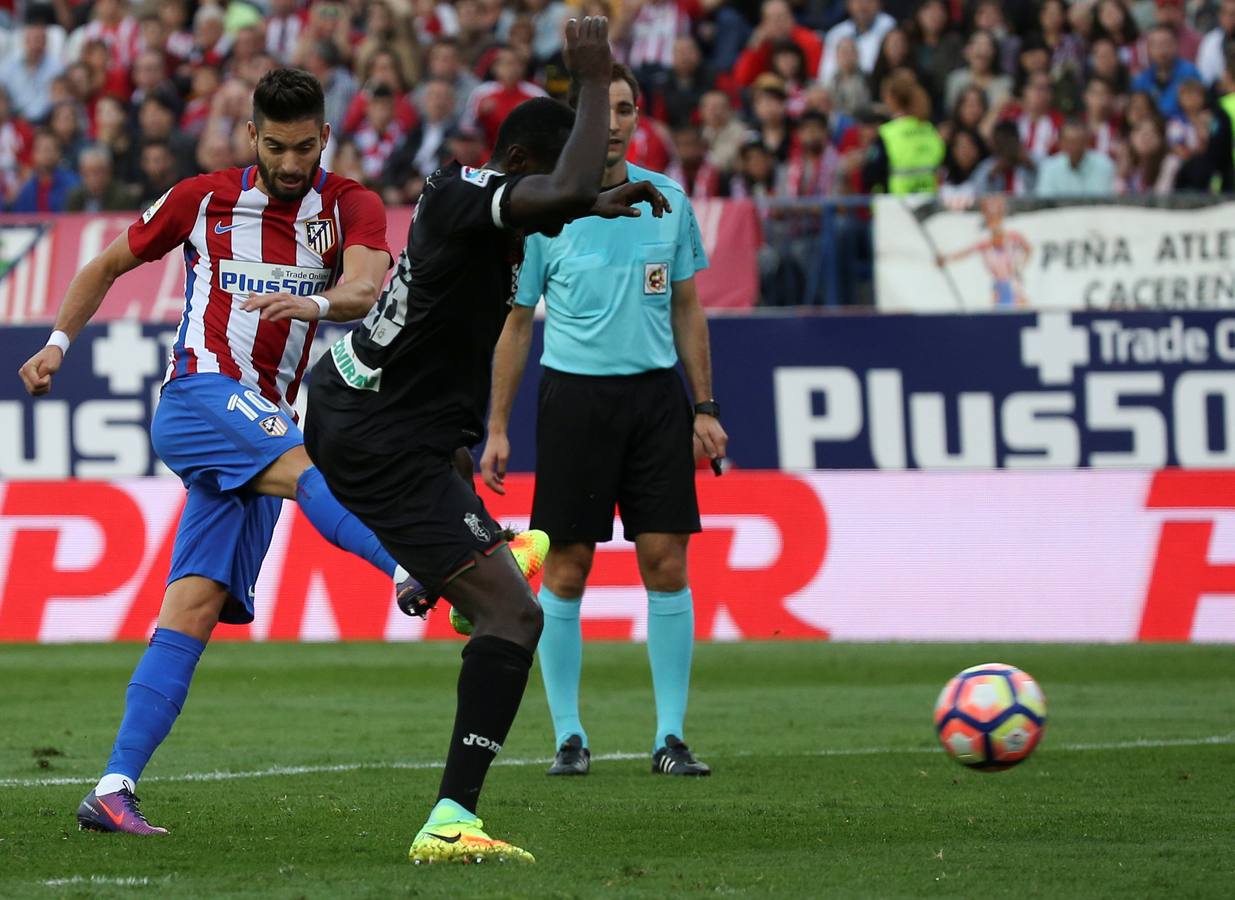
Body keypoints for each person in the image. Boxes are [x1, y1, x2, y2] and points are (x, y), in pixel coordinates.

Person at [17, 67, 433, 837]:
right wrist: (55, 343)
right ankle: (413, 566)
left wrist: (310, 302)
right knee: (311, 469)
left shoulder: (349, 205)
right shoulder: (202, 197)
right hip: (199, 399)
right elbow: (107, 263)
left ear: (324, 139)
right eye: (274, 146)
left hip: (259, 422)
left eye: (303, 148)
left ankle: (112, 786)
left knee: (195, 606)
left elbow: (366, 288)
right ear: (251, 135)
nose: (288, 162)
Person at [303, 17, 669, 864]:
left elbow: (553, 206)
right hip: (375, 435)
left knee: (496, 584)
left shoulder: (482, 214)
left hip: (395, 426)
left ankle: (464, 563)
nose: (572, 200)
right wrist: (588, 78)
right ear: (524, 170)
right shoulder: (473, 194)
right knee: (515, 616)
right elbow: (560, 185)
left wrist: (598, 196)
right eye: (564, 184)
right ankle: (450, 821)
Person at [477, 58, 725, 779]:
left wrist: (703, 406)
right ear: (584, 122)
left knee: (665, 562)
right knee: (567, 568)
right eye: (599, 110)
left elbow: (686, 306)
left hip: (653, 401)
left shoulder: (669, 201)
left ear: (636, 117)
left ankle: (670, 738)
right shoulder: (547, 209)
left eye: (622, 109)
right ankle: (568, 737)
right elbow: (517, 322)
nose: (611, 124)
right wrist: (496, 426)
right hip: (573, 401)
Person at [862, 70, 944, 194]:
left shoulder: (888, 133)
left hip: (896, 203)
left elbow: (871, 174)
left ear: (892, 99)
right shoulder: (930, 130)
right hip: (929, 202)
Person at [1035, 119, 1115, 196]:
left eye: (1079, 141)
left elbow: (1105, 203)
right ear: (1060, 143)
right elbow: (1045, 202)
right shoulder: (1049, 168)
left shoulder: (1105, 166)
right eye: (1069, 142)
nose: (1074, 147)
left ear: (1087, 142)